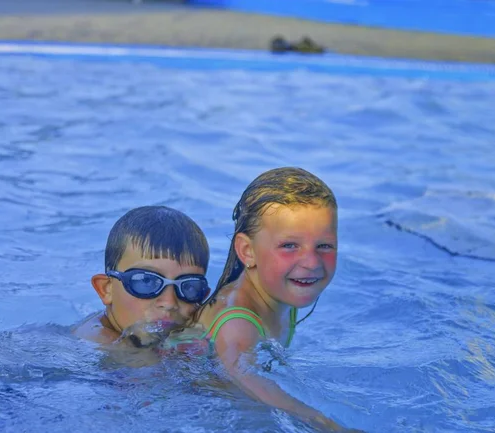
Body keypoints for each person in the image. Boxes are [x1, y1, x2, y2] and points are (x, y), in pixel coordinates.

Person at [165, 167, 360, 432]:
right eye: (289, 246)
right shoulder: (237, 323)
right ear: (248, 251)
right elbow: (253, 385)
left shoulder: (281, 291)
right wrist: (330, 427)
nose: (311, 263)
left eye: (324, 246)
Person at [73, 205, 211, 353]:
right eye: (147, 281)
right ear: (106, 289)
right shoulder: (95, 341)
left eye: (189, 287)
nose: (169, 303)